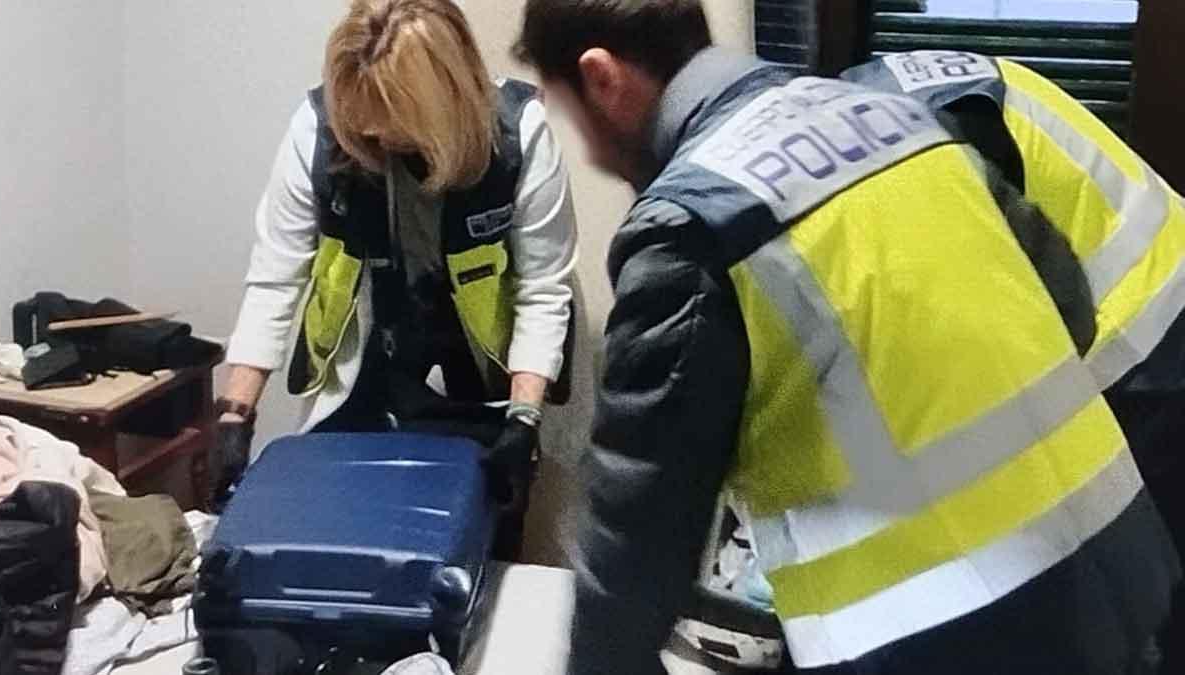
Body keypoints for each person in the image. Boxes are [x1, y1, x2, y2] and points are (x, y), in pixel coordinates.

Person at [511, 2, 1181, 674]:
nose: (589, 151)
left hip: (950, 634)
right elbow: (1066, 305)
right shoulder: (897, 118)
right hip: (1123, 563)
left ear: (603, 79)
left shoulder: (688, 229)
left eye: (573, 120)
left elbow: (635, 543)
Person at [843, 52, 1185, 666]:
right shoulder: (885, 95)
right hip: (1159, 299)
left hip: (1145, 346)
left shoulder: (898, 150)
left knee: (1133, 597)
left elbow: (1031, 316)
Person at [209, 0, 578, 559]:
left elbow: (543, 289)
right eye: (364, 129)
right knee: (340, 540)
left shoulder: (519, 134)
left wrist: (524, 420)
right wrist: (236, 416)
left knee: (472, 541)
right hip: (365, 369)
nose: (374, 140)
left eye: (395, 127)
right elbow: (274, 278)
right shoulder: (317, 128)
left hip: (477, 380)